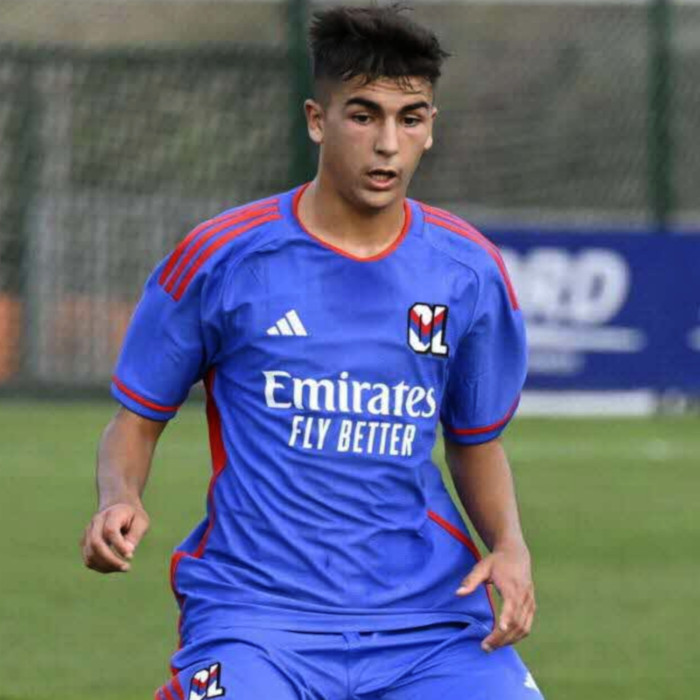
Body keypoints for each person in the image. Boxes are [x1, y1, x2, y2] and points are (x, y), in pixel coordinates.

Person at [81, 4, 543, 699]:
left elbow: (475, 442)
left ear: (430, 129)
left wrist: (509, 546)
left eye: (409, 118)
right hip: (257, 617)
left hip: (427, 622)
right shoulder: (222, 258)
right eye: (363, 115)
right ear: (316, 120)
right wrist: (119, 499)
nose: (387, 144)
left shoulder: (468, 270)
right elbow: (137, 419)